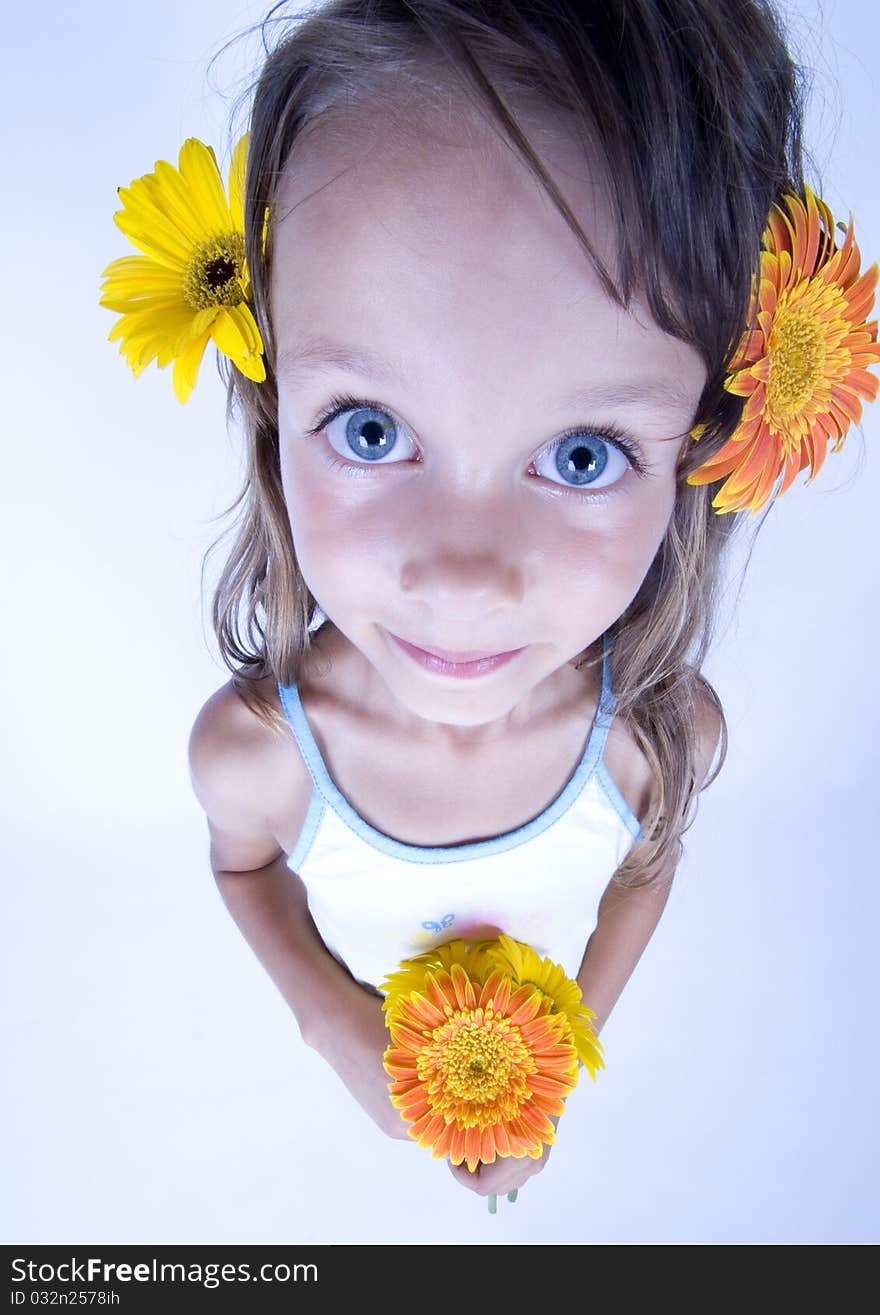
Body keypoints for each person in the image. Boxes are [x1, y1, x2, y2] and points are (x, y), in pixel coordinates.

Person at [102, 0, 879, 1201]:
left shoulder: (661, 739)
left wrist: (566, 1056)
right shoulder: (256, 761)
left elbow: (646, 865)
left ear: (708, 445)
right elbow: (244, 868)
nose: (463, 575)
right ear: (269, 393)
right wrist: (331, 1021)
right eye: (370, 429)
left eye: (581, 453)